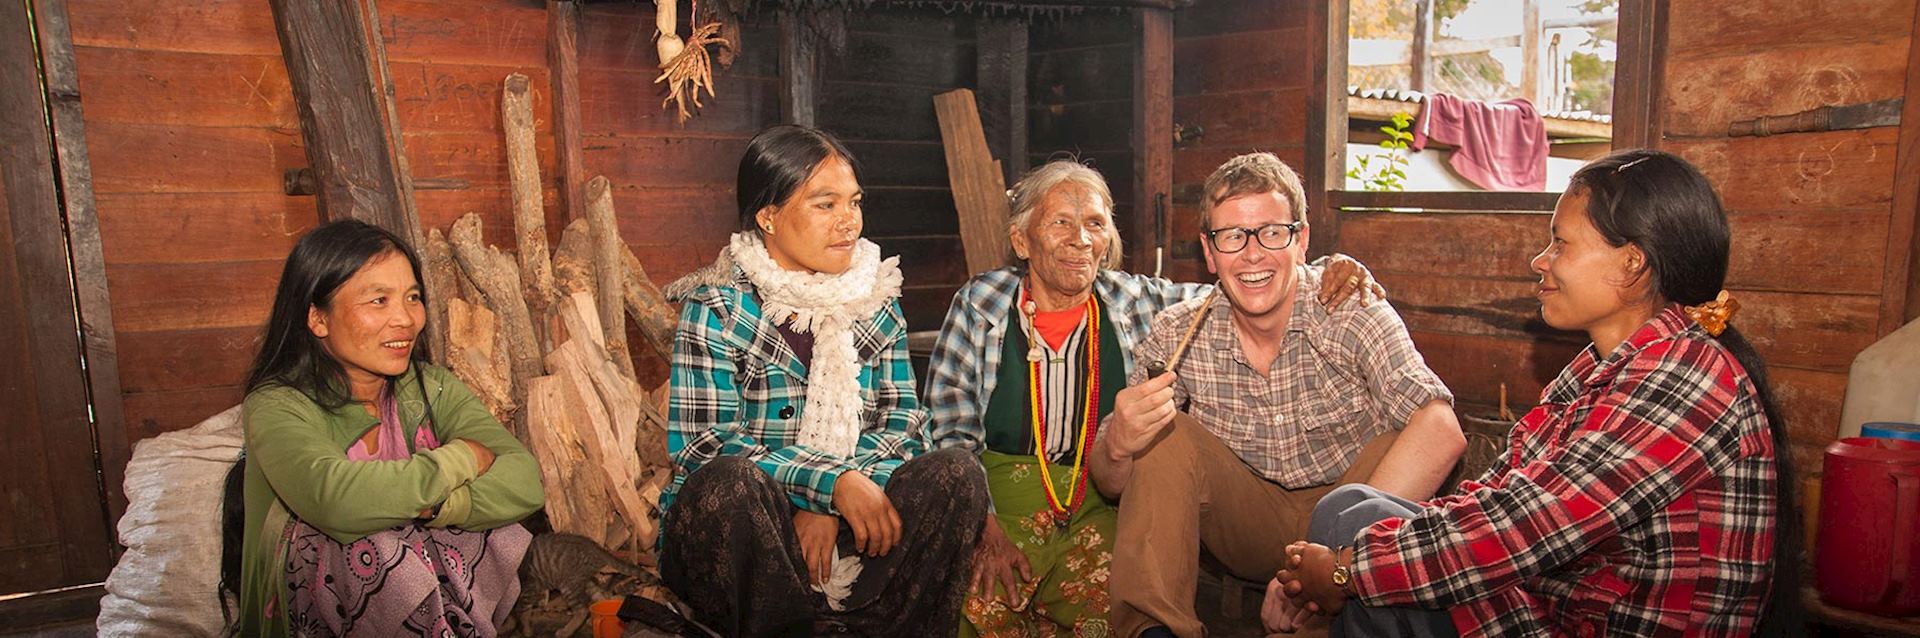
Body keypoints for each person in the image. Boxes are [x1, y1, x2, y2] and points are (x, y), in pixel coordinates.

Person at [1271, 149, 1802, 638]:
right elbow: (1502, 492)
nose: (1540, 260)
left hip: (1600, 625)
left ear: (1631, 263)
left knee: (1368, 553)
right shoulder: (1600, 366)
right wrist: (1357, 562)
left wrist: (1347, 572)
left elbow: (1530, 525)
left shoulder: (1687, 376)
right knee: (1354, 509)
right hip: (1560, 603)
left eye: (1561, 243)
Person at [925, 160, 1382, 637]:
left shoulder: (1134, 301)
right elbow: (949, 429)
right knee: (982, 611)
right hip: (999, 503)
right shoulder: (982, 303)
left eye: (1095, 223)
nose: (1080, 238)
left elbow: (1246, 276)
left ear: (1108, 242)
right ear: (1022, 240)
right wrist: (981, 524)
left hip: (1094, 503)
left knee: (1109, 611)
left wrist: (1332, 267)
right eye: (1060, 222)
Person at [1092, 152, 1466, 638]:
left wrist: (1325, 564)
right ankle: (1156, 630)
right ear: (1209, 252)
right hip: (1247, 523)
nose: (1252, 254)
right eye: (1232, 236)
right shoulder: (1178, 332)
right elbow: (1110, 481)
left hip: (1345, 524)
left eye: (1272, 232)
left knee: (1405, 428)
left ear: (1302, 239)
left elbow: (1443, 430)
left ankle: (1322, 615)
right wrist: (1119, 443)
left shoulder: (1352, 308)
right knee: (1164, 434)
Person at [657, 124, 988, 637]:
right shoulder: (718, 308)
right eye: (824, 205)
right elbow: (703, 447)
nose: (848, 223)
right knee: (730, 481)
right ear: (768, 216)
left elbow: (902, 424)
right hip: (747, 540)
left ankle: (884, 628)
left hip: (855, 526)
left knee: (955, 472)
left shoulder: (875, 299)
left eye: (854, 203)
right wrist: (827, 485)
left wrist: (840, 497)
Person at [238, 220, 544, 637]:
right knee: (369, 540)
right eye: (378, 300)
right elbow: (336, 500)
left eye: (412, 297)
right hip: (305, 618)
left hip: (433, 599)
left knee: (494, 523)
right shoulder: (277, 405)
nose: (404, 318)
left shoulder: (431, 388)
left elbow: (525, 481)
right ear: (318, 318)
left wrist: (436, 508)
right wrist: (463, 457)